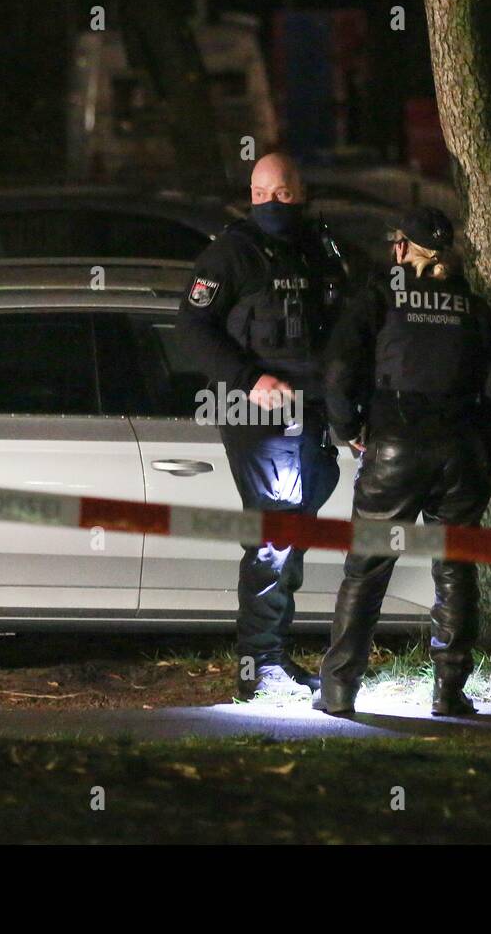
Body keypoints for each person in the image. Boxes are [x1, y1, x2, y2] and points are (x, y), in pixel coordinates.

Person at [316, 206, 491, 716]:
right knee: (455, 570)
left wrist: (346, 427)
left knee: (367, 571)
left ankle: (338, 691)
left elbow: (338, 368)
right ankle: (449, 692)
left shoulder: (379, 297)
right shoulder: (473, 307)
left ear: (401, 248)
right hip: (461, 450)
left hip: (395, 447)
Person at [176, 152, 349, 697]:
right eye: (260, 194)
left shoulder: (320, 249)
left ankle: (271, 655)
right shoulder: (230, 254)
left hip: (314, 410)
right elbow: (193, 326)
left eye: (281, 193)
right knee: (275, 535)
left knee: (291, 533)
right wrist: (249, 379)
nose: (271, 204)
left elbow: (344, 327)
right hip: (258, 414)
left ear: (301, 192)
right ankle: (260, 665)